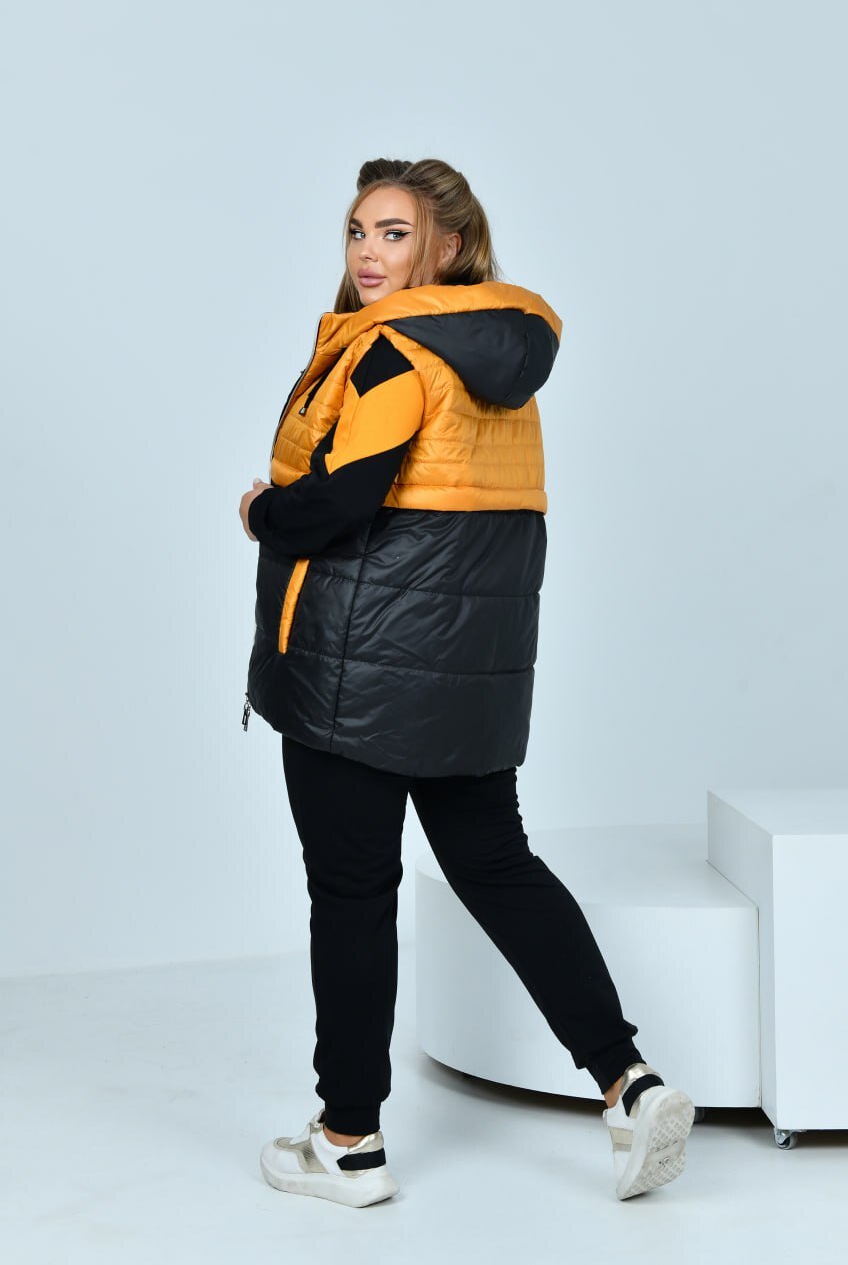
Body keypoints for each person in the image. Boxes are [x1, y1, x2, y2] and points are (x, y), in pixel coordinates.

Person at [238, 157, 694, 1207]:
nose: (367, 253)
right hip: (468, 679)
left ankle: (347, 1139)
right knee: (496, 865)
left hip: (355, 675)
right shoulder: (500, 370)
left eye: (394, 233)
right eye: (358, 231)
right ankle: (626, 1079)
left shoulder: (390, 352)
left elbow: (341, 504)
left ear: (448, 247)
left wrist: (263, 511)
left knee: (352, 893)